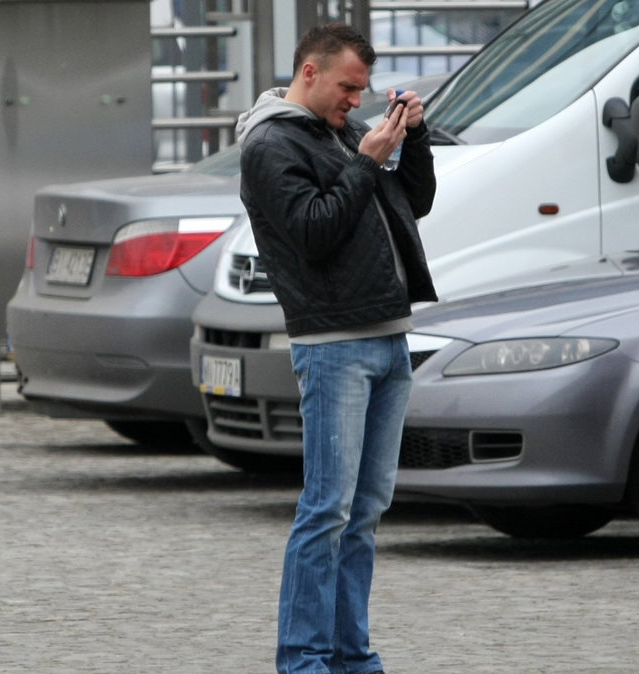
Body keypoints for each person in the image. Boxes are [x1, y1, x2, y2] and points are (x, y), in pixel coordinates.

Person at [234, 22, 437, 674]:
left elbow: (416, 205)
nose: (357, 100)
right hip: (333, 345)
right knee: (327, 512)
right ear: (310, 72)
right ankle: (302, 662)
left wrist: (413, 137)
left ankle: (353, 659)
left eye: (365, 90)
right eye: (348, 87)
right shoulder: (269, 145)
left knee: (367, 513)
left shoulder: (345, 136)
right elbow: (314, 232)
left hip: (386, 337)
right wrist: (366, 159)